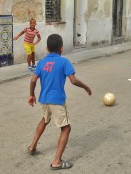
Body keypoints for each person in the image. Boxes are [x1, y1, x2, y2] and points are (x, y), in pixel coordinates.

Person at [27, 34, 92, 170]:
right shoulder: (64, 62)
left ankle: (32, 146)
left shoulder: (42, 62)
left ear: (47, 48)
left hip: (44, 99)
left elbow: (33, 80)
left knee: (45, 120)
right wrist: (86, 87)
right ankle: (57, 162)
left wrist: (31, 95)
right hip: (56, 100)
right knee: (66, 128)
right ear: (61, 49)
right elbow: (73, 80)